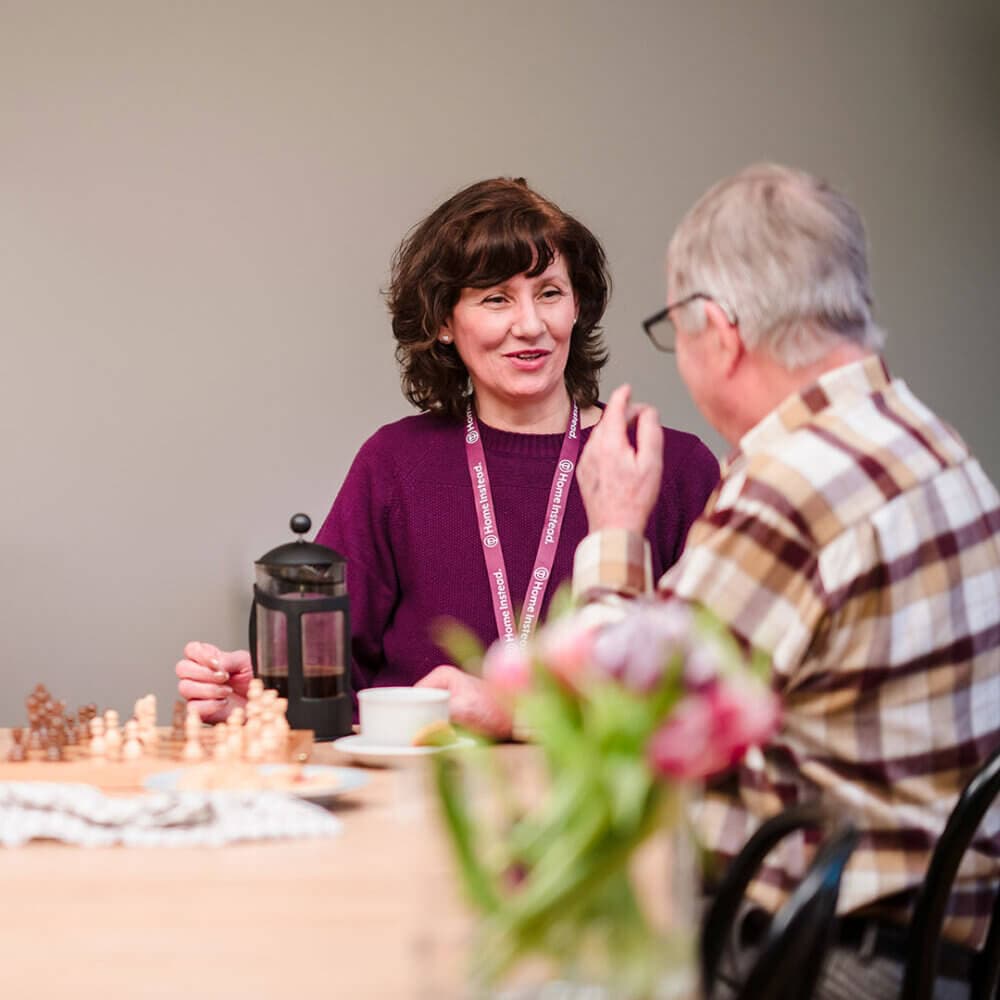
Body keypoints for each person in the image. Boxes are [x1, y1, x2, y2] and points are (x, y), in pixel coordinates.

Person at [573, 163, 1000, 999]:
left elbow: (614, 731)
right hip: (947, 951)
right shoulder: (930, 441)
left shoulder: (796, 486)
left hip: (830, 960)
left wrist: (616, 530)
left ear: (718, 333)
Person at [176, 178, 719, 735]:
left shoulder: (667, 466)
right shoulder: (395, 463)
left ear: (578, 305)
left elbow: (715, 696)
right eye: (496, 298)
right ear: (442, 322)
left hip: (604, 812)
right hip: (409, 803)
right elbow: (335, 684)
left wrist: (510, 712)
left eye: (550, 292)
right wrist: (270, 706)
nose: (530, 324)